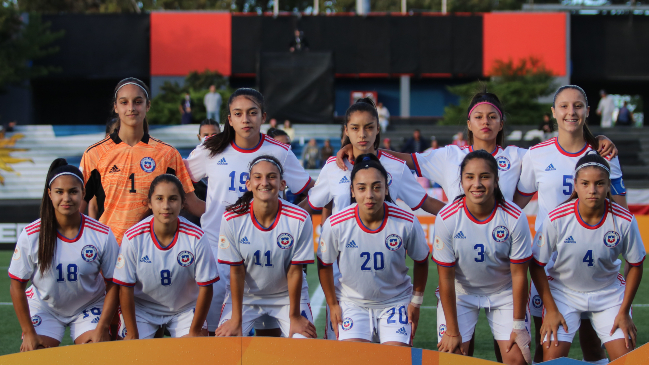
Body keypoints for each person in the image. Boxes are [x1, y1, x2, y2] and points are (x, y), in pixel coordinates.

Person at [301, 98, 444, 340]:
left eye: (369, 127)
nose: (362, 134)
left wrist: (466, 216)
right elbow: (309, 205)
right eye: (355, 128)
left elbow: (426, 202)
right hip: (342, 280)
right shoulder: (333, 167)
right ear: (346, 131)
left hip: (388, 276)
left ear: (378, 128)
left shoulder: (396, 168)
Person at [183, 88, 313, 336]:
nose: (246, 119)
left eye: (252, 113)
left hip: (267, 248)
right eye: (238, 113)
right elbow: (179, 178)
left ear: (263, 117)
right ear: (229, 119)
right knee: (213, 331)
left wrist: (293, 218)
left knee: (271, 334)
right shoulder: (212, 148)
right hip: (215, 248)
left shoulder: (280, 152)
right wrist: (200, 207)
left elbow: (311, 191)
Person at [514, 85, 628, 364]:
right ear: (553, 113)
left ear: (588, 111)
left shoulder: (605, 153)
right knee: (546, 349)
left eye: (578, 106)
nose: (571, 112)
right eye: (564, 106)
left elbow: (621, 210)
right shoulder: (537, 155)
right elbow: (515, 205)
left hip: (596, 268)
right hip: (550, 270)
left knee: (593, 346)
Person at [530, 153, 645, 362]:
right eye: (585, 183)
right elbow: (537, 265)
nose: (592, 190)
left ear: (608, 185)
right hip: (564, 293)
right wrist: (552, 309)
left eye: (599, 183)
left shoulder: (624, 220)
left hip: (608, 294)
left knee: (627, 358)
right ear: (575, 185)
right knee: (552, 357)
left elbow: (636, 264)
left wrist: (624, 311)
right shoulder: (557, 218)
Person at [317, 153, 429, 345]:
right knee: (355, 358)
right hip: (352, 304)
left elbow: (422, 261)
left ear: (386, 189)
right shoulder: (336, 224)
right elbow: (324, 264)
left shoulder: (407, 221)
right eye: (362, 188)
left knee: (395, 359)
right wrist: (333, 304)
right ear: (352, 191)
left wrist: (415, 302)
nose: (369, 195)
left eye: (377, 187)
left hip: (395, 303)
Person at [9, 158, 119, 351]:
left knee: (97, 352)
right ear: (50, 194)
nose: (66, 198)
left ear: (83, 193)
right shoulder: (32, 234)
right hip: (45, 307)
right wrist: (28, 332)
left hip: (88, 305)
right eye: (59, 192)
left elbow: (114, 283)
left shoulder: (101, 234)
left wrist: (102, 327)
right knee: (35, 354)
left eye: (73, 192)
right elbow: (17, 287)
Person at [434, 150, 532, 365]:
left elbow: (519, 276)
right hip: (461, 293)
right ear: (461, 181)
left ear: (496, 181)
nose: (477, 184)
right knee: (453, 358)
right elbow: (446, 278)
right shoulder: (448, 218)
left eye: (484, 177)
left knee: (518, 359)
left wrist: (518, 325)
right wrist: (451, 329)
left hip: (503, 292)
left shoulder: (514, 217)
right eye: (470, 177)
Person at [80, 77, 205, 247]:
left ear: (148, 106)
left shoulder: (167, 154)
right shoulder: (94, 154)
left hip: (151, 251)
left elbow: (192, 203)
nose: (131, 108)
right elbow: (78, 207)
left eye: (138, 102)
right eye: (124, 102)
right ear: (116, 107)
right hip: (108, 251)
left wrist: (234, 213)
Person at [215, 155, 316, 338]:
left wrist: (294, 316)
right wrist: (236, 320)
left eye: (271, 176)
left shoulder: (299, 218)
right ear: (248, 184)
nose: (264, 182)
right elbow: (236, 271)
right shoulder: (232, 218)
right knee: (226, 342)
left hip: (286, 296)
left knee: (304, 342)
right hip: (246, 297)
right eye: (258, 177)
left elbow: (295, 271)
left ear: (282, 183)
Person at [114, 174, 219, 339]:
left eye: (172, 199)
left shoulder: (196, 237)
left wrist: (194, 331)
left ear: (182, 203)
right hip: (143, 309)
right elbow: (125, 288)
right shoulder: (133, 237)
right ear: (149, 203)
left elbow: (206, 287)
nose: (166, 206)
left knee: (194, 353)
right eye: (159, 199)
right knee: (131, 356)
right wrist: (133, 334)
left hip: (184, 309)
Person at [88, 117, 121, 220]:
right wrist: (93, 231)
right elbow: (93, 205)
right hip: (105, 230)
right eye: (117, 132)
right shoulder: (98, 164)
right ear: (107, 136)